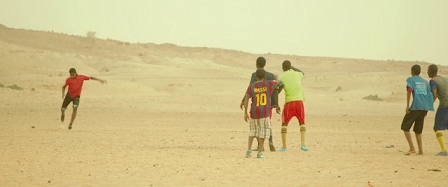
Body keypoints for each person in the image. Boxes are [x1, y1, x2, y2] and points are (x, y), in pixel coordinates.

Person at [240, 56, 279, 152]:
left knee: (256, 127)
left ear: (256, 64)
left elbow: (249, 89)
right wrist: (276, 103)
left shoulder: (254, 75)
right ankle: (270, 141)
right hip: (268, 105)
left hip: (256, 106)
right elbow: (278, 87)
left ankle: (259, 146)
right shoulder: (270, 76)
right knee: (267, 124)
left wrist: (243, 100)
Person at [400, 64, 434, 155]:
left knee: (405, 126)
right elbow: (429, 94)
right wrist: (428, 107)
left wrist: (407, 106)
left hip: (416, 106)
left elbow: (409, 91)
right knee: (418, 129)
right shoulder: (424, 81)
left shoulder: (410, 80)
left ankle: (412, 148)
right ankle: (421, 151)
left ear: (412, 71)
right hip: (424, 107)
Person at [276, 60, 308, 152]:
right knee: (302, 122)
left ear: (282, 68)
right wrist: (292, 67)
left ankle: (284, 146)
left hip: (289, 103)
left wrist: (276, 104)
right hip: (299, 102)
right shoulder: (297, 74)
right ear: (290, 67)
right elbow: (302, 72)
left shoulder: (282, 77)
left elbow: (277, 90)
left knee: (284, 123)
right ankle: (303, 145)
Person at [427, 64, 448, 156]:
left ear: (430, 71)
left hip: (444, 105)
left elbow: (434, 94)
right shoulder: (445, 79)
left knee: (437, 128)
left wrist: (428, 106)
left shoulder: (433, 81)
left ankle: (444, 150)